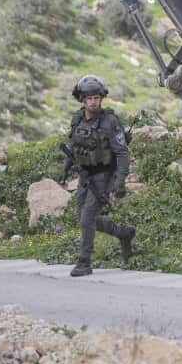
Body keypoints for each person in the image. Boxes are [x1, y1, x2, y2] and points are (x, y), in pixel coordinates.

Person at [59, 75, 135, 277]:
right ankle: (123, 232)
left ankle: (84, 262)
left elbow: (122, 153)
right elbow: (73, 148)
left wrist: (119, 184)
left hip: (103, 176)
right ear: (82, 99)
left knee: (87, 218)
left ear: (101, 98)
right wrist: (64, 173)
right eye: (89, 98)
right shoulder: (77, 119)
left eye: (97, 97)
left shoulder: (110, 121)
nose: (93, 101)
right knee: (83, 217)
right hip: (85, 175)